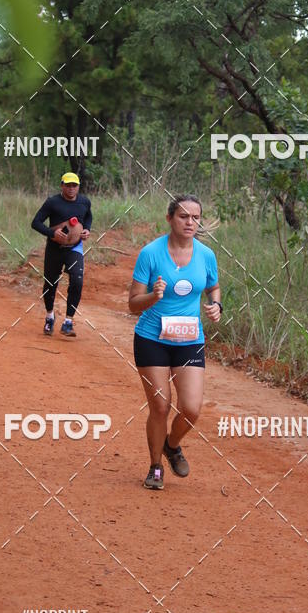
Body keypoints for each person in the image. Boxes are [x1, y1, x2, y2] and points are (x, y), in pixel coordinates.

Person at [129, 194, 222, 490]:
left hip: (189, 339)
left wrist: (216, 305)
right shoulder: (151, 253)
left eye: (195, 217)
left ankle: (172, 445)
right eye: (184, 216)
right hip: (151, 338)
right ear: (170, 218)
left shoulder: (206, 255)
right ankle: (155, 467)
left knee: (192, 408)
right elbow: (133, 304)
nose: (190, 222)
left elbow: (213, 286)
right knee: (160, 406)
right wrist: (153, 297)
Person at [31, 172, 92, 337]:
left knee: (77, 280)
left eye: (74, 185)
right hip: (54, 249)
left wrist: (86, 230)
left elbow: (88, 217)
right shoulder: (52, 202)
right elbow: (35, 223)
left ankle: (68, 322)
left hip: (74, 248)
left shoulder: (84, 202)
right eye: (68, 185)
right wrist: (52, 234)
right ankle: (50, 316)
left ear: (78, 186)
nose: (71, 189)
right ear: (62, 185)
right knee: (50, 284)